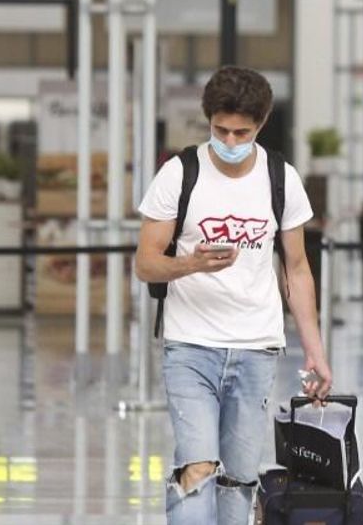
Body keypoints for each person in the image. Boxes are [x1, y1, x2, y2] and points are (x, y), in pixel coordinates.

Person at [135, 65, 332, 525]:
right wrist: (189, 264)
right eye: (220, 129)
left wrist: (316, 351)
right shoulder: (178, 174)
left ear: (261, 124)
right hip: (190, 347)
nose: (229, 138)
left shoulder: (281, 178)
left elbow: (297, 270)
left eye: (241, 131)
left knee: (239, 480)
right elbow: (145, 262)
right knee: (197, 469)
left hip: (256, 348)